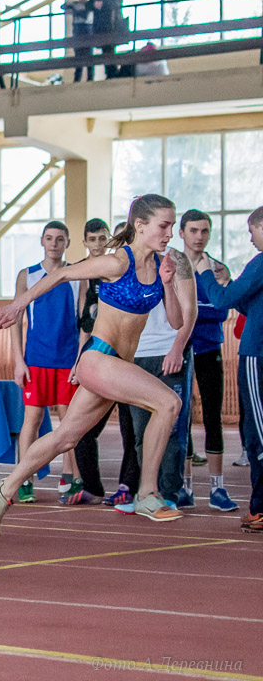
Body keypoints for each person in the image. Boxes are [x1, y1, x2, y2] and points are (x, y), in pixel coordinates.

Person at [0, 194, 187, 536]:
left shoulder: (158, 268)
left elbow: (176, 321)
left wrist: (168, 285)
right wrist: (17, 306)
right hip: (98, 356)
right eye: (164, 225)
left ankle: (5, 488)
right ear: (140, 226)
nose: (170, 233)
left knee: (66, 437)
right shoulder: (116, 263)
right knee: (169, 402)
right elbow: (62, 274)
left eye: (171, 226)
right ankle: (148, 493)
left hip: (116, 365)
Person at [194, 206, 263, 534]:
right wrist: (228, 285)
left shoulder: (262, 261)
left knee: (258, 434)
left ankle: (261, 508)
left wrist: (207, 273)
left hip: (256, 354)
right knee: (255, 431)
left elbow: (222, 301)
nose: (250, 239)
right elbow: (247, 302)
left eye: (252, 231)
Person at [117, 243, 197, 514]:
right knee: (140, 432)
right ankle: (146, 494)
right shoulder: (125, 262)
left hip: (168, 354)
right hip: (136, 357)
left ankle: (170, 493)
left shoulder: (175, 259)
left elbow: (190, 310)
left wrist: (177, 349)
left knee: (171, 430)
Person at [10, 221, 83, 504]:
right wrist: (19, 360)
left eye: (60, 239)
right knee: (32, 419)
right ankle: (24, 478)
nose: (54, 243)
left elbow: (83, 322)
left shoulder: (77, 276)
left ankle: (68, 476)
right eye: (49, 238)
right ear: (42, 241)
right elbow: (16, 320)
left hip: (67, 360)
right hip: (36, 359)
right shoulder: (27, 276)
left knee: (69, 422)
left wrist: (79, 361)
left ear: (67, 243)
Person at [71, 218, 140, 504]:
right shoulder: (88, 276)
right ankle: (92, 487)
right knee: (81, 429)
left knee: (131, 429)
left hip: (129, 361)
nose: (100, 244)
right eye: (94, 239)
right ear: (86, 242)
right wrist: (78, 363)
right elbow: (84, 325)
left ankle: (128, 487)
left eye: (104, 238)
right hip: (100, 359)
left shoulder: (139, 274)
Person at [179, 210, 238, 511]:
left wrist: (193, 310)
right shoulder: (172, 266)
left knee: (212, 416)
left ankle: (218, 488)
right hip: (180, 349)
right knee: (182, 416)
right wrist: (201, 308)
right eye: (193, 230)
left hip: (209, 347)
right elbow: (170, 311)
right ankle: (185, 487)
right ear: (182, 233)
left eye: (204, 231)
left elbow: (221, 310)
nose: (199, 236)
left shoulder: (218, 268)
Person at [90, 0, 125, 81]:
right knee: (106, 51)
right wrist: (94, 4)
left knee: (109, 50)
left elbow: (115, 3)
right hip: (101, 28)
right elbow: (89, 4)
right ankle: (110, 73)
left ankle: (112, 73)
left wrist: (102, 4)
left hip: (111, 27)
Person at [61, 0, 94, 82]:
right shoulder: (75, 4)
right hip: (78, 31)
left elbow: (85, 15)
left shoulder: (89, 5)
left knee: (88, 55)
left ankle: (90, 78)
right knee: (78, 56)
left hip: (87, 30)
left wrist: (75, 11)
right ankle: (77, 79)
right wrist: (71, 6)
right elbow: (63, 7)